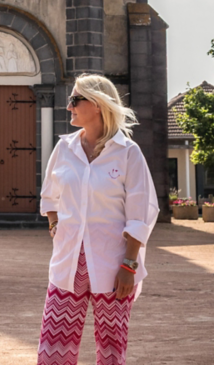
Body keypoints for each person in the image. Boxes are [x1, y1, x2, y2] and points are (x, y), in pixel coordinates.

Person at [37, 74, 159, 365]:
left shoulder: (128, 153)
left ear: (97, 104)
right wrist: (55, 226)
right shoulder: (64, 149)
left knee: (111, 353)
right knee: (52, 350)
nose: (69, 107)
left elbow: (141, 213)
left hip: (113, 267)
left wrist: (128, 265)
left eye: (75, 100)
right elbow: (49, 197)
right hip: (67, 267)